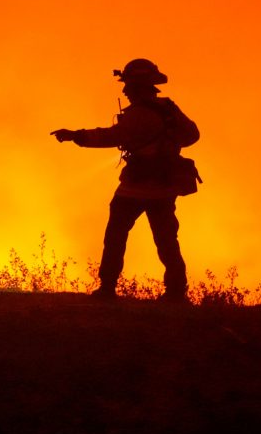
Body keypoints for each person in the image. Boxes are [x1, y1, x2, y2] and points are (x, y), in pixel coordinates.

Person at [50, 58, 200, 303]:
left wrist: (75, 136)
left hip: (134, 189)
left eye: (128, 85)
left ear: (138, 86)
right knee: (166, 241)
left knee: (115, 237)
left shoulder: (139, 114)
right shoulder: (169, 109)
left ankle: (107, 288)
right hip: (164, 188)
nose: (125, 91)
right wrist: (167, 145)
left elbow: (111, 137)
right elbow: (192, 135)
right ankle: (176, 292)